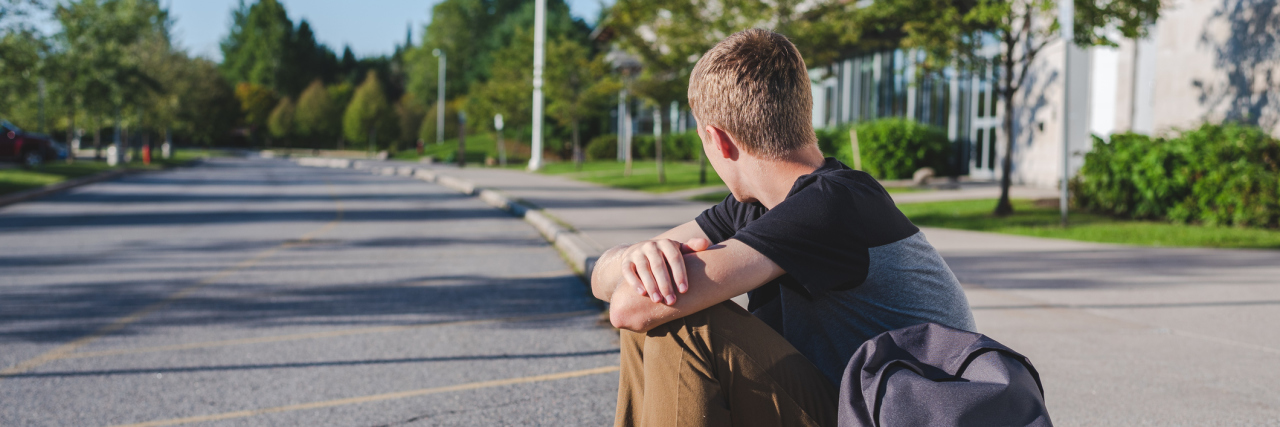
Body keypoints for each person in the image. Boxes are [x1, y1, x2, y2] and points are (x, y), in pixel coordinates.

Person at [590, 29, 977, 427]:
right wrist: (635, 257)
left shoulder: (832, 204)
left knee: (681, 321)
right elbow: (601, 280)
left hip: (895, 418)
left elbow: (629, 306)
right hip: (852, 408)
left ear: (717, 140)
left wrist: (648, 277)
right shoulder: (758, 205)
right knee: (661, 302)